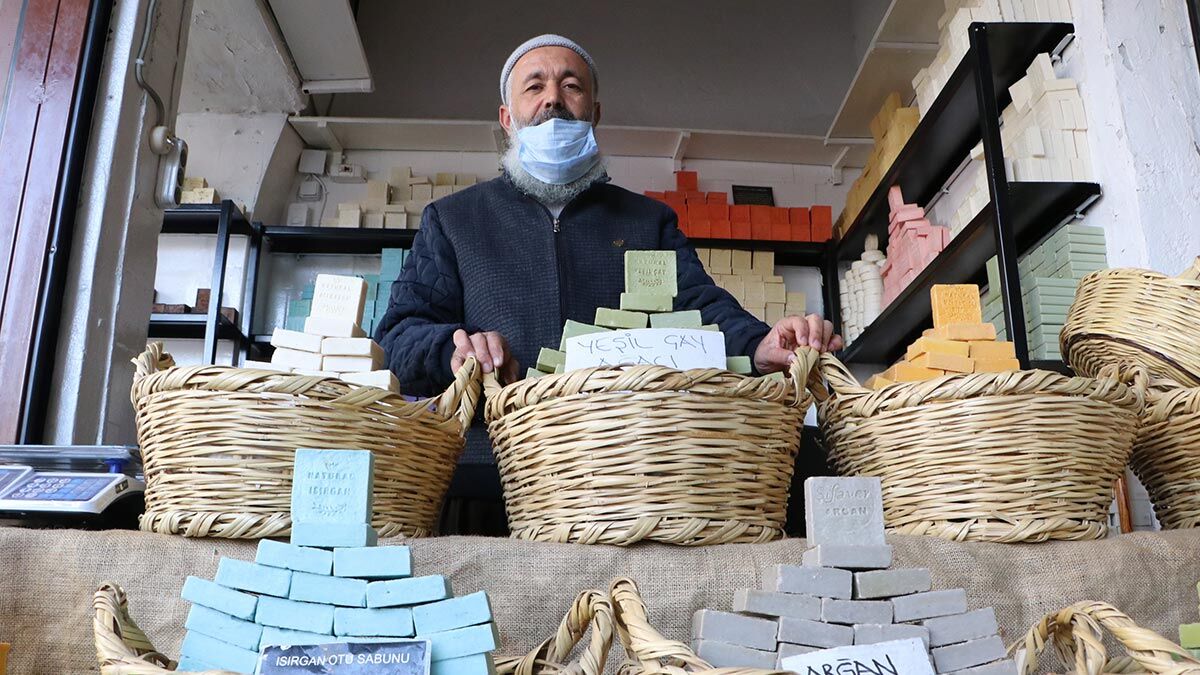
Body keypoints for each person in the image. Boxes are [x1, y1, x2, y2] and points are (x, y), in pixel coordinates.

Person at [375, 34, 843, 533]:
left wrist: (758, 345)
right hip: (487, 476)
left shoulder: (646, 221)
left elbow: (700, 308)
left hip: (629, 482)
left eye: (570, 85)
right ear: (507, 119)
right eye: (534, 87)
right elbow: (397, 337)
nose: (553, 98)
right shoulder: (454, 220)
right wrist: (452, 349)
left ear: (594, 113)